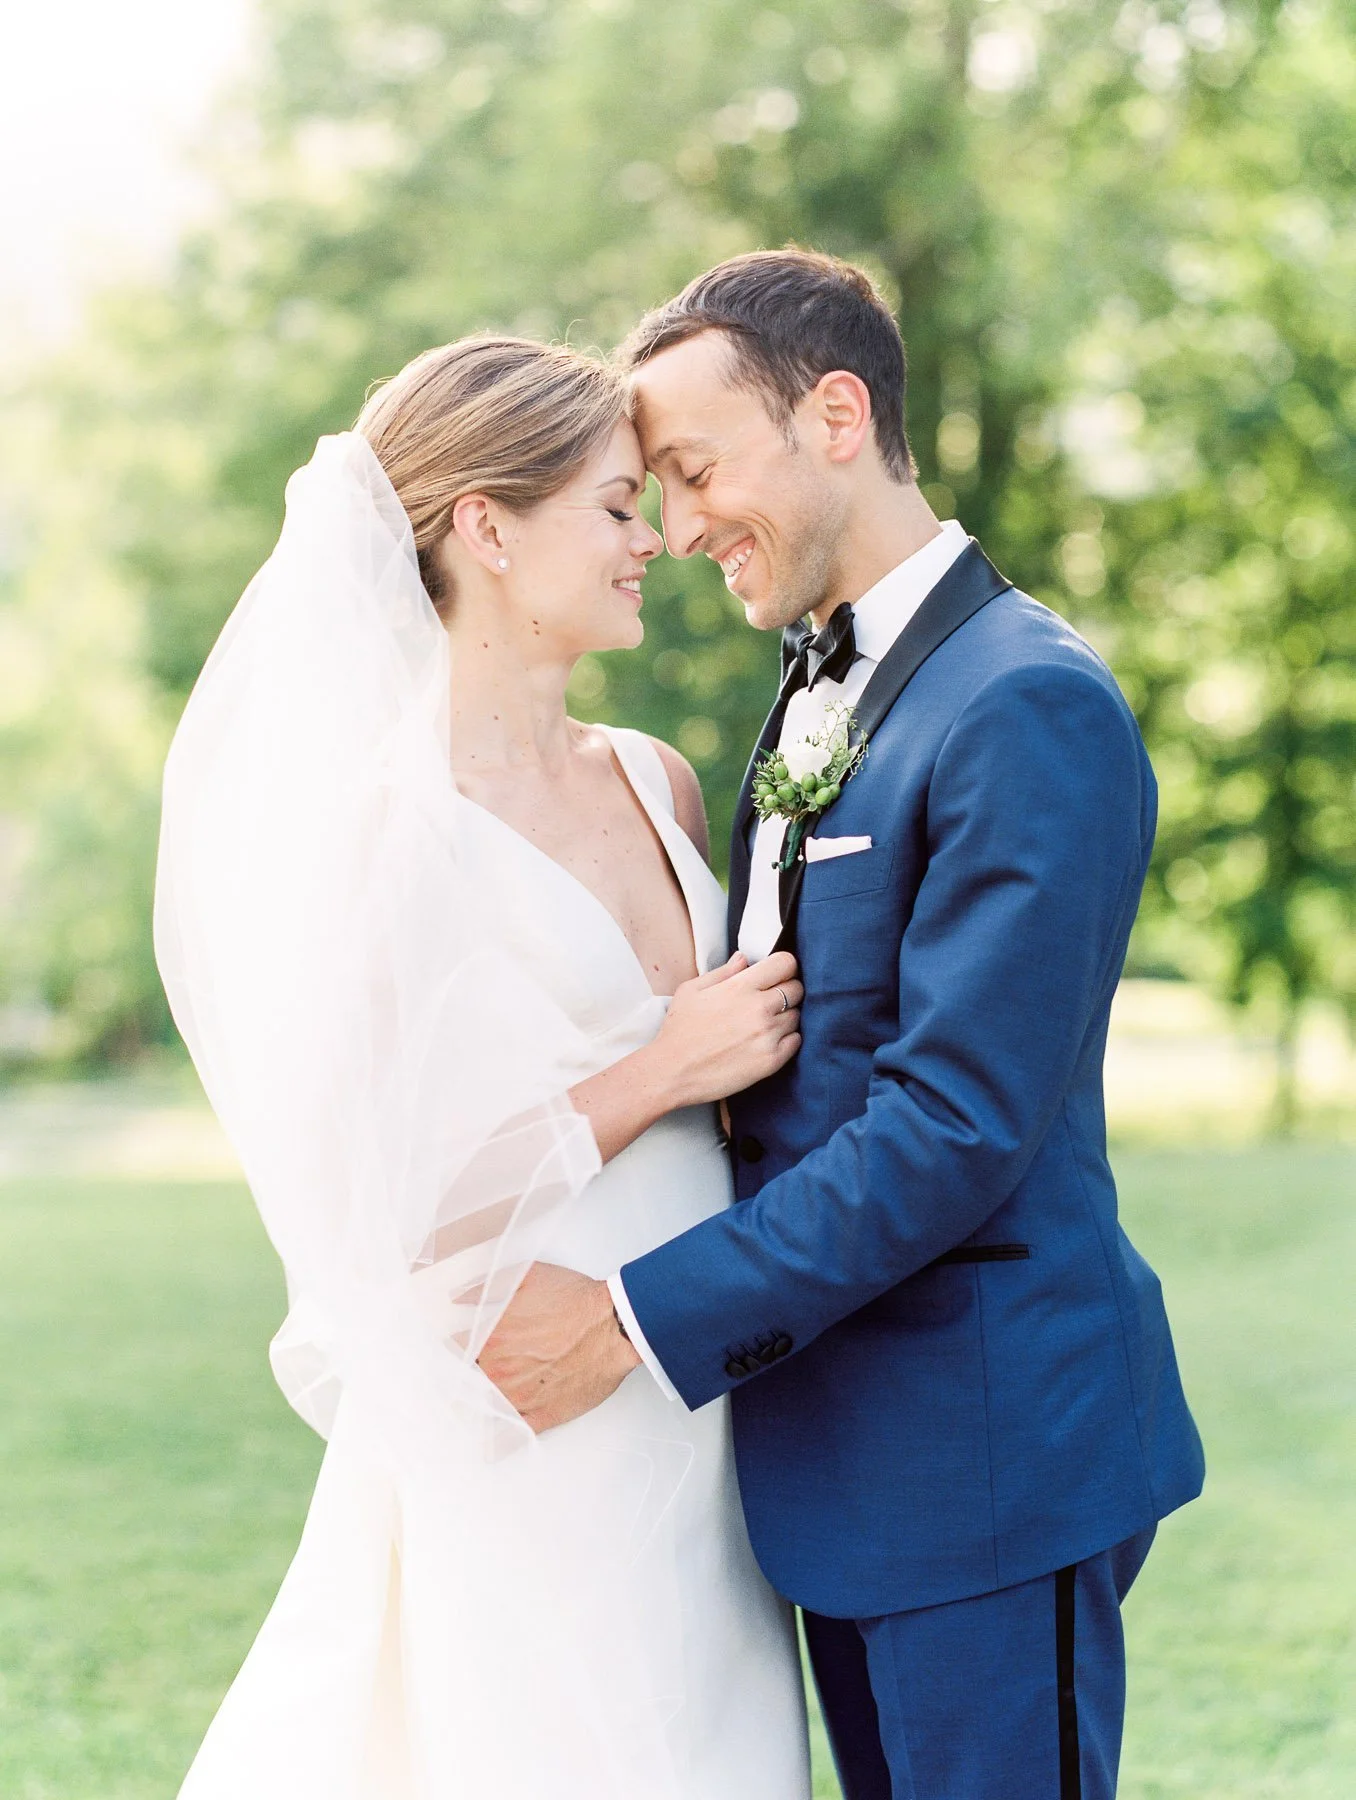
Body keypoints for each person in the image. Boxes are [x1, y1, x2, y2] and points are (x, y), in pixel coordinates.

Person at [480, 250, 1207, 1800]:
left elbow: (952, 1126)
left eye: (695, 472)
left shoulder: (1023, 700)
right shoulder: (830, 681)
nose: (678, 529)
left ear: (834, 415)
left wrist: (625, 1321)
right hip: (840, 1461)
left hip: (986, 1460)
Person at [154, 336, 812, 1798]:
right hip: (530, 1406)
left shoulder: (655, 778)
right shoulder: (380, 834)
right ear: (488, 528)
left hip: (702, 1391)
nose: (656, 540)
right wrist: (655, 1072)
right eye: (617, 505)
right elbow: (369, 1209)